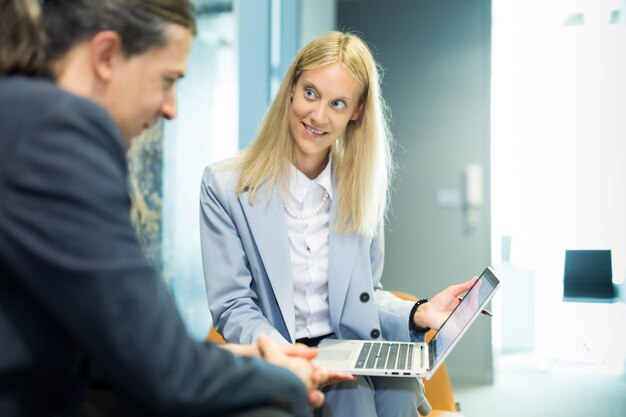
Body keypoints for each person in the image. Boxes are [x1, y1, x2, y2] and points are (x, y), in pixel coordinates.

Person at [0, 0, 335, 416]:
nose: (171, 108)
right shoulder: (57, 130)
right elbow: (168, 372)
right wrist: (285, 380)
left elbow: (126, 343)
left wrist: (240, 361)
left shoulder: (20, 116)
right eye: (167, 80)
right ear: (106, 56)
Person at [200, 31, 478, 417]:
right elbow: (233, 306)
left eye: (338, 103)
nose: (317, 116)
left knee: (398, 391)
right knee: (351, 395)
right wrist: (290, 357)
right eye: (310, 93)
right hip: (282, 352)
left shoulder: (360, 188)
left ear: (357, 112)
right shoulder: (224, 186)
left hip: (349, 347)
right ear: (292, 90)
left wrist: (419, 312)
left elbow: (368, 294)